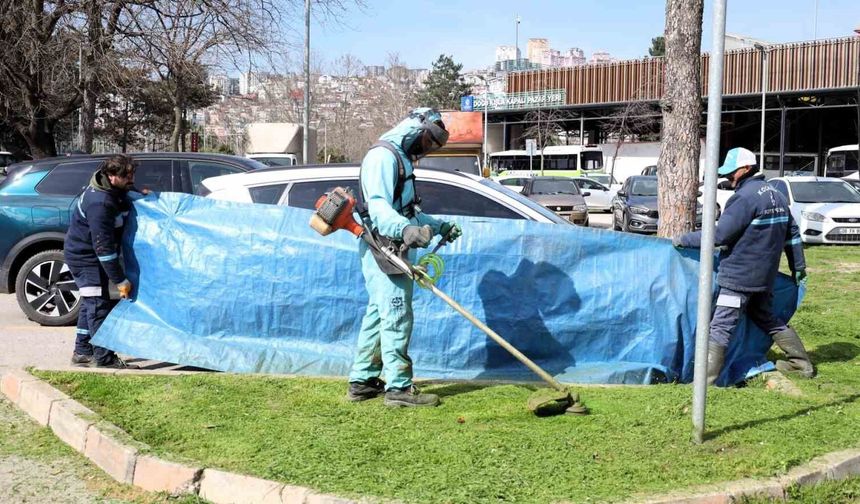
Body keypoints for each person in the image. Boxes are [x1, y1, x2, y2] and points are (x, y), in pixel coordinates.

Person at [346, 108, 462, 407]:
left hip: (390, 243)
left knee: (379, 313)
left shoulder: (400, 157)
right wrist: (405, 230)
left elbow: (408, 211)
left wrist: (438, 226)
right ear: (416, 129)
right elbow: (379, 208)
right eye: (428, 141)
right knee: (397, 314)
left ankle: (362, 381)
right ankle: (398, 387)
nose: (427, 149)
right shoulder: (383, 157)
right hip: (383, 246)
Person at [674, 147, 814, 385]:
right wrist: (798, 267)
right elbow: (792, 235)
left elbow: (719, 235)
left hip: (739, 279)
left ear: (747, 168)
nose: (729, 177)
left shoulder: (744, 198)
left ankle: (705, 384)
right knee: (766, 316)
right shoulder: (777, 195)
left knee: (720, 326)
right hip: (765, 279)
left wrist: (682, 239)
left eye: (732, 172)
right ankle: (801, 364)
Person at [64, 155, 139, 368]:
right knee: (98, 306)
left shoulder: (108, 187)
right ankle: (104, 359)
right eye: (127, 176)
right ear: (112, 176)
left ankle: (82, 352)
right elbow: (103, 249)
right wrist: (120, 280)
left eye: (132, 175)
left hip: (88, 255)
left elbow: (123, 194)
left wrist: (139, 193)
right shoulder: (100, 203)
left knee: (90, 304)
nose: (131, 179)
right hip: (85, 258)